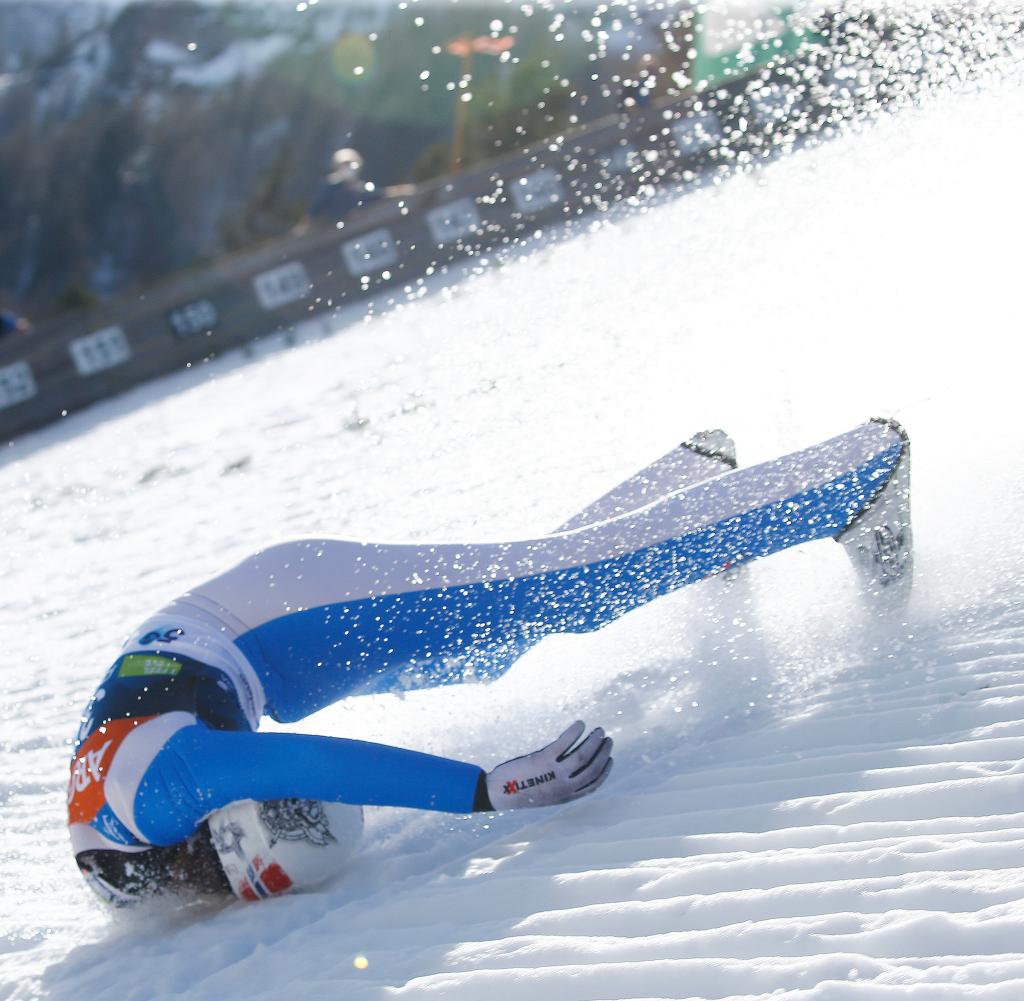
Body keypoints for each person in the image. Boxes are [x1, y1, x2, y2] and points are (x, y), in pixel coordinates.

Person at [67, 418, 912, 905]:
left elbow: (316, 761)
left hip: (295, 612)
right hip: (276, 641)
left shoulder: (162, 792)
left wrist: (484, 790)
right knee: (508, 618)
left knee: (572, 589)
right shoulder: (111, 848)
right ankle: (692, 486)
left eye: (249, 878)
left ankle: (855, 479)